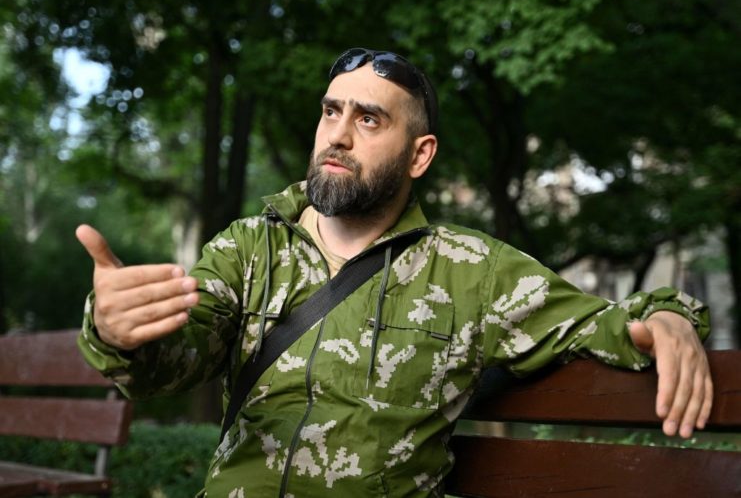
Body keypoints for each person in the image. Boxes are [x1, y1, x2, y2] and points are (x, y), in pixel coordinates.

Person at [76, 48, 713, 498]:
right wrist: (116, 330)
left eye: (369, 120)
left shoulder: (470, 270)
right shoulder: (249, 248)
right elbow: (174, 362)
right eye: (331, 112)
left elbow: (598, 324)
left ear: (420, 154)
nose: (339, 136)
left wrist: (668, 318)